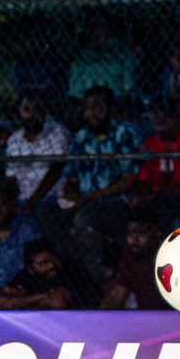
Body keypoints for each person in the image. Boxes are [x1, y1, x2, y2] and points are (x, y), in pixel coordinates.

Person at [52, 85, 140, 271]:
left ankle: (115, 272)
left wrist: (89, 198)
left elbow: (128, 179)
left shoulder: (122, 133)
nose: (92, 112)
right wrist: (71, 194)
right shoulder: (81, 137)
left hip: (117, 199)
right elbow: (72, 176)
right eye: (88, 107)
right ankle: (89, 277)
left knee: (94, 221)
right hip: (87, 200)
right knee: (60, 221)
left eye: (99, 106)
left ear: (111, 109)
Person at [133, 98, 180, 223]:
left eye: (164, 122)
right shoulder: (151, 143)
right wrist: (142, 195)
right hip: (156, 199)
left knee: (178, 206)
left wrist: (168, 193)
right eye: (155, 123)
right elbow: (144, 178)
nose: (160, 128)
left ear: (175, 119)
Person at [0, 182, 43, 308]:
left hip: (20, 297)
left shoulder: (27, 231)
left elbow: (37, 270)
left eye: (0, 203)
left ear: (11, 205)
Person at [4, 95, 70, 217]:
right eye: (27, 109)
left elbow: (55, 170)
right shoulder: (14, 140)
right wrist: (11, 201)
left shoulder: (58, 131)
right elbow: (11, 177)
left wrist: (31, 203)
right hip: (24, 197)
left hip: (52, 196)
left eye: (36, 109)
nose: (32, 115)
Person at [0, 238, 100, 310]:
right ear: (31, 268)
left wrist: (22, 304)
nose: (51, 266)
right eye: (43, 263)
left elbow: (58, 301)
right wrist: (45, 296)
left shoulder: (71, 268)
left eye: (54, 259)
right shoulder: (26, 276)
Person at [100, 208, 166, 309]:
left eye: (140, 233)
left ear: (157, 233)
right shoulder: (130, 253)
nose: (134, 239)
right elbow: (120, 290)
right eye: (131, 233)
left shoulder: (168, 255)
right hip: (144, 316)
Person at [67, 15, 137, 100]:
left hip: (115, 101)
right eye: (92, 27)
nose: (96, 30)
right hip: (89, 103)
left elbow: (128, 85)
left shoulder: (119, 50)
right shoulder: (80, 57)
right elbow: (75, 92)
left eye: (101, 26)